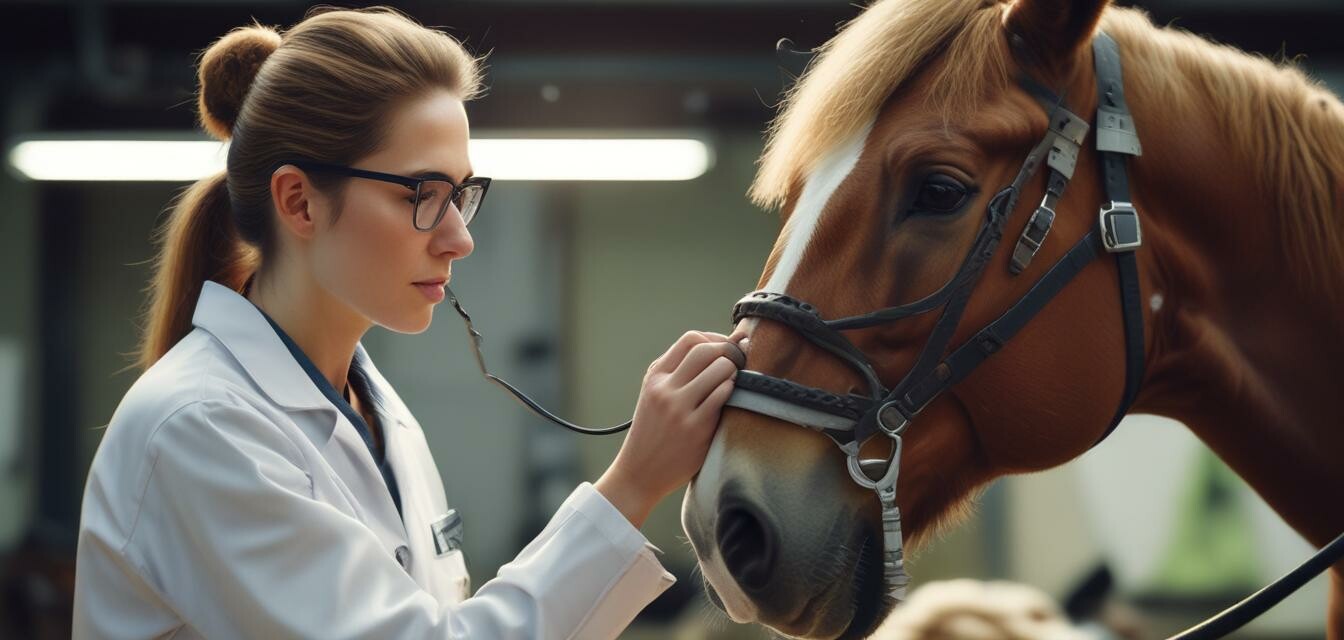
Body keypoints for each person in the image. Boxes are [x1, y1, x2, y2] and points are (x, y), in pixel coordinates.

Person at [72, 7, 744, 639]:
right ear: (300, 202)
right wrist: (632, 483)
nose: (459, 238)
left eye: (462, 195)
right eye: (422, 195)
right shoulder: (201, 428)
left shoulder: (379, 414)